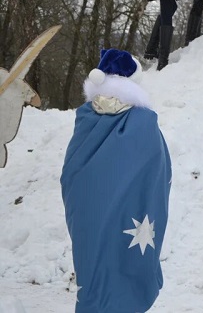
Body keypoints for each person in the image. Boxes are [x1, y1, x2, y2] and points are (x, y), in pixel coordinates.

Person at [61, 48, 171, 312]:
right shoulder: (143, 121)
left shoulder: (86, 117)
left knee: (93, 265)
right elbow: (158, 167)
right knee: (123, 259)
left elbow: (72, 170)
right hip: (129, 213)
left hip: (87, 211)